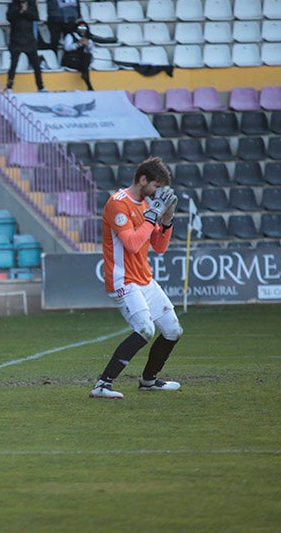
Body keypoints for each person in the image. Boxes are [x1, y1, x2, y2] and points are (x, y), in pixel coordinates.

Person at [89, 157, 181, 400]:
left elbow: (159, 247)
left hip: (144, 279)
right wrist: (153, 215)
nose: (158, 192)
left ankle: (148, 381)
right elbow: (130, 244)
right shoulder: (117, 204)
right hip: (123, 280)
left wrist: (167, 219)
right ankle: (102, 384)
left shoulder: (147, 206)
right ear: (142, 179)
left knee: (173, 330)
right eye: (156, 186)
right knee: (145, 328)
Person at [5, 0, 44, 92]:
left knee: (36, 65)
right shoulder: (12, 6)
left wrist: (26, 11)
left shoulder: (31, 6)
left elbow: (36, 17)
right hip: (16, 40)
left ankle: (40, 86)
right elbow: (9, 18)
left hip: (29, 40)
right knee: (13, 65)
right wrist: (20, 11)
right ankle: (9, 86)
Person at [61, 20, 116, 92]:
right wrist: (78, 44)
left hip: (82, 62)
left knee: (88, 56)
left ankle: (87, 79)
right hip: (70, 60)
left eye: (84, 28)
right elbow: (67, 48)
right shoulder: (70, 36)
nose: (82, 30)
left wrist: (87, 45)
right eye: (80, 27)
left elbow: (90, 51)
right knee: (85, 65)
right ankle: (87, 81)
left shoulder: (88, 38)